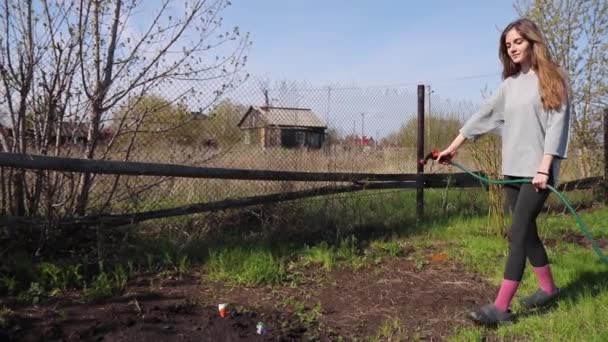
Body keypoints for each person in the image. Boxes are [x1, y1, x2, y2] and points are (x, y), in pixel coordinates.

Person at [437, 18, 571, 325]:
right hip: (512, 171)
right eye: (508, 44)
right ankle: (549, 289)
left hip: (538, 173)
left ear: (533, 42)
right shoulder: (509, 86)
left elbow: (557, 126)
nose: (512, 48)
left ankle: (501, 307)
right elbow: (483, 116)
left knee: (517, 233)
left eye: (518, 42)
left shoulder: (553, 79)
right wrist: (453, 146)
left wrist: (545, 166)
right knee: (527, 233)